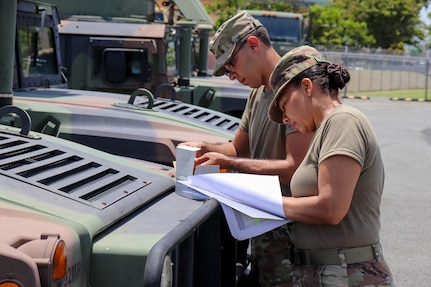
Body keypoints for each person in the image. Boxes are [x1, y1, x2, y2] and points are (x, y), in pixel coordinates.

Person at [179, 11, 312, 287]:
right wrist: (204, 149)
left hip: (292, 237)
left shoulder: (292, 91)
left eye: (232, 65)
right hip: (264, 230)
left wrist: (235, 167)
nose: (231, 76)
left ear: (253, 44)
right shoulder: (257, 93)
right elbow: (237, 148)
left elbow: (294, 170)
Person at [267, 45, 395, 286]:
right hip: (329, 271)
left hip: (345, 274)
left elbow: (330, 208)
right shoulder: (326, 128)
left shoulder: (343, 121)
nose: (284, 118)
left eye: (284, 104)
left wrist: (261, 201)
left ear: (307, 87)